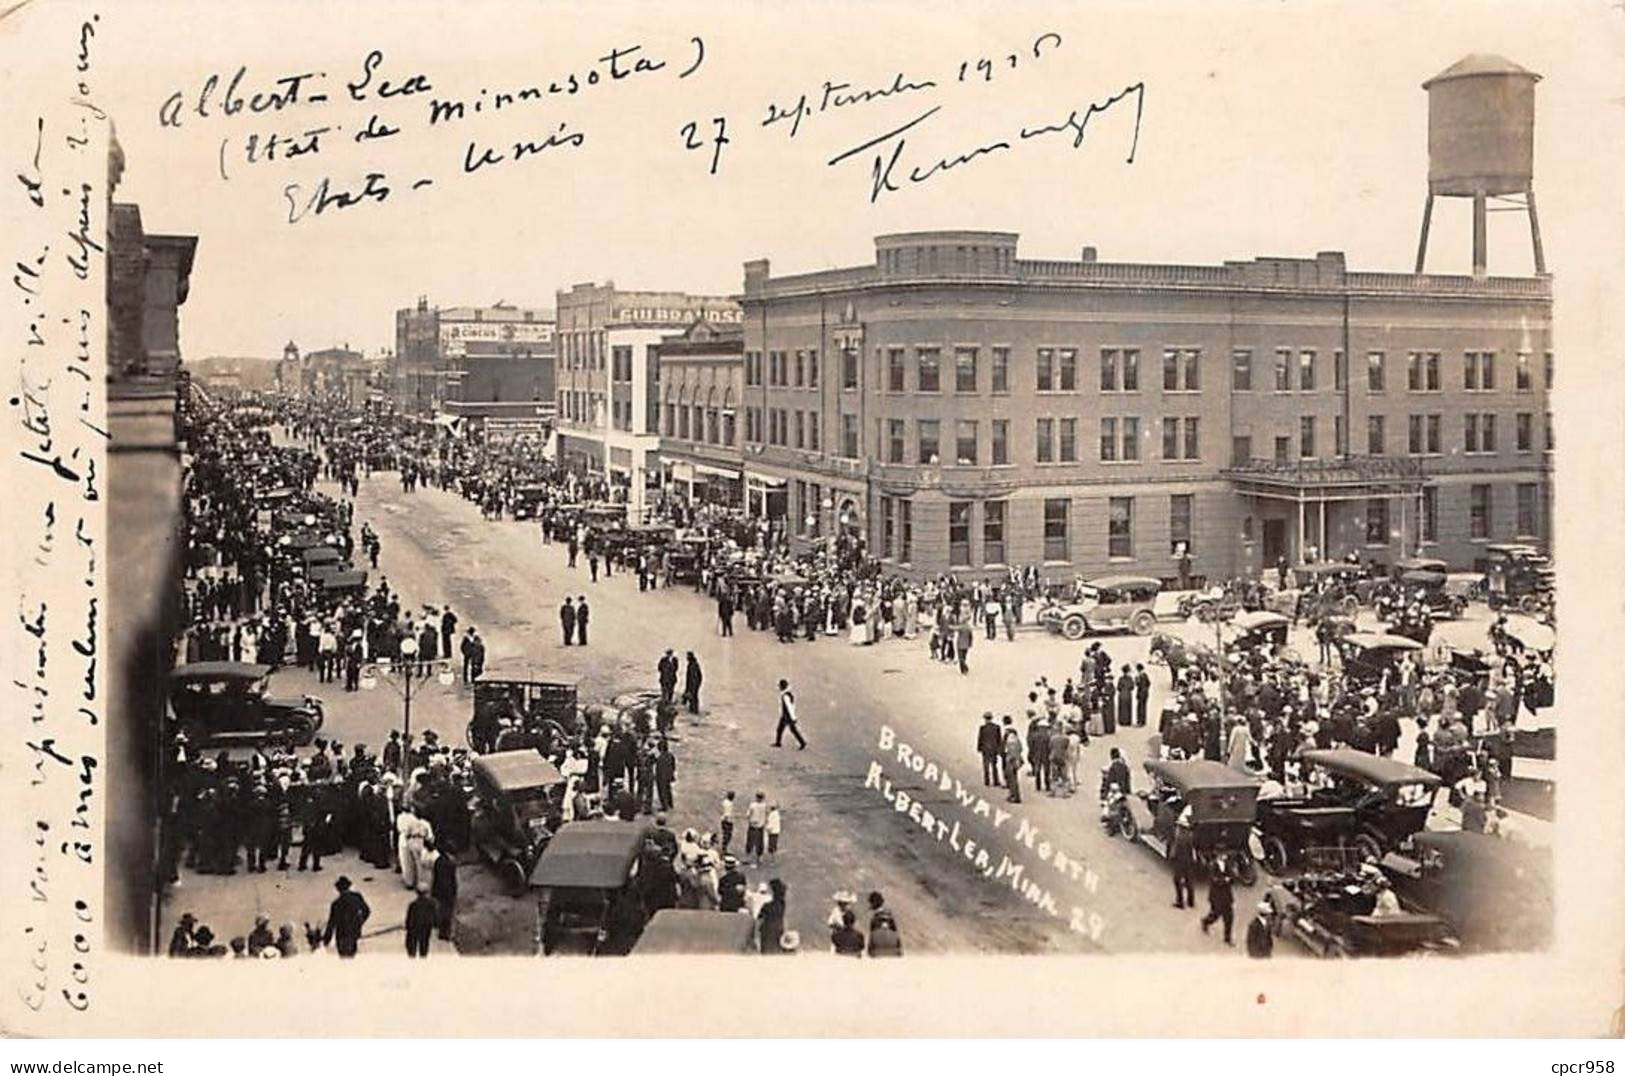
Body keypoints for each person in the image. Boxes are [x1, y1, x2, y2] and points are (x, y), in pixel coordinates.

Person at [322, 876, 371, 958]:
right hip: (354, 932)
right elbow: (367, 911)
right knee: (351, 956)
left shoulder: (336, 903)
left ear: (338, 889)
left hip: (342, 935)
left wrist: (326, 939)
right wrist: (359, 922)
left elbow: (332, 923)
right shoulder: (357, 897)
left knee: (344, 958)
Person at [1201, 854, 1236, 945]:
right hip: (1217, 896)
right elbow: (1214, 879)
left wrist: (1229, 879)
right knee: (1215, 915)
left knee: (1229, 917)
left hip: (1227, 896)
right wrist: (1225, 880)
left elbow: (1232, 876)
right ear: (1218, 856)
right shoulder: (1213, 865)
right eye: (1222, 855)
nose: (1225, 856)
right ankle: (1206, 921)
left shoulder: (1227, 864)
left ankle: (1227, 938)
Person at [429, 837, 458, 941]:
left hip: (438, 891)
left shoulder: (439, 861)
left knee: (441, 912)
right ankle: (445, 934)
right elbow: (447, 881)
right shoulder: (447, 864)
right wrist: (451, 894)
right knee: (446, 914)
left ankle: (442, 931)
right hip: (445, 893)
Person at [1171, 807, 1197, 909]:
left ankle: (1180, 901)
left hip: (1180, 860)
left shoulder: (1180, 837)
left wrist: (1172, 857)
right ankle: (1191, 901)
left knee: (1177, 880)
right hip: (1189, 860)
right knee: (1189, 880)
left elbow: (1176, 850)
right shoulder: (1190, 836)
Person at [866, 891, 903, 956]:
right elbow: (896, 934)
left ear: (873, 903)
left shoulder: (874, 919)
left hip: (878, 950)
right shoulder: (890, 916)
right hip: (892, 949)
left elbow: (872, 937)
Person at [757, 878, 788, 954]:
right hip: (778, 927)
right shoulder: (782, 904)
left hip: (768, 929)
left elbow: (759, 916)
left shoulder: (767, 906)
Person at [773, 678, 806, 749]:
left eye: (780, 686)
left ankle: (802, 743)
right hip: (786, 716)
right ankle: (778, 743)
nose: (779, 688)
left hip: (787, 717)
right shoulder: (788, 694)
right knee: (781, 729)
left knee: (791, 730)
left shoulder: (785, 696)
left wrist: (793, 718)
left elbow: (789, 707)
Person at [405, 890, 438, 957]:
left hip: (414, 928)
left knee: (412, 946)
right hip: (425, 928)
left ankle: (413, 957)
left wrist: (408, 926)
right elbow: (434, 918)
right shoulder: (431, 905)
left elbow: (409, 919)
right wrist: (435, 925)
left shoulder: (413, 905)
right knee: (424, 946)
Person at [1001, 716, 1024, 804]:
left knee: (1012, 779)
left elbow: (1008, 750)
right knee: (1014, 778)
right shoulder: (1016, 739)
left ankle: (1014, 796)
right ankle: (1013, 795)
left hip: (1011, 760)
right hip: (1015, 760)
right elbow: (1021, 748)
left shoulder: (1010, 741)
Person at [977, 712, 1003, 787]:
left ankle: (987, 781)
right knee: (994, 765)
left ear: (985, 719)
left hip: (985, 749)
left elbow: (980, 739)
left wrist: (979, 748)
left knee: (986, 766)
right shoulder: (997, 727)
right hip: (994, 749)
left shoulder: (982, 728)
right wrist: (999, 749)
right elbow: (999, 739)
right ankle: (996, 781)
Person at [745, 791, 769, 866]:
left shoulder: (752, 805)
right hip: (760, 826)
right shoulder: (764, 805)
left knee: (750, 841)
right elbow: (766, 814)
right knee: (760, 842)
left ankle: (748, 857)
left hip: (752, 825)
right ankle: (759, 857)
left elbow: (748, 815)